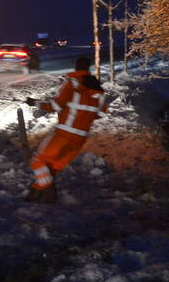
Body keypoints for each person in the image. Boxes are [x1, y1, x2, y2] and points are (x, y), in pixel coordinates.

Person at [24, 56, 108, 203]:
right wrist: (83, 116)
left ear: (76, 67)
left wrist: (34, 103)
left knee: (39, 160)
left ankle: (49, 192)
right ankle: (35, 194)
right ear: (88, 69)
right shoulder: (99, 90)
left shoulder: (73, 83)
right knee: (53, 167)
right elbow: (100, 114)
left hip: (63, 133)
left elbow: (55, 106)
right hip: (80, 138)